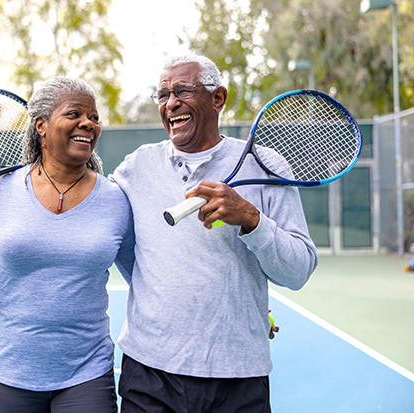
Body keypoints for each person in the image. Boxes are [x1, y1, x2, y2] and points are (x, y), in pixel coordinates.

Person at [109, 51, 318, 412]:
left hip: (238, 374)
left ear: (217, 98)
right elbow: (110, 233)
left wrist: (250, 218)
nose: (171, 103)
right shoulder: (136, 167)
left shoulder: (267, 166)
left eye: (183, 91)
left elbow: (298, 271)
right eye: (163, 94)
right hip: (149, 373)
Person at [0, 76, 135, 413]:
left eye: (94, 117)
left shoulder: (115, 199)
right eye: (74, 114)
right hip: (10, 372)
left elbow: (143, 279)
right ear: (41, 126)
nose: (88, 123)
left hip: (87, 371)